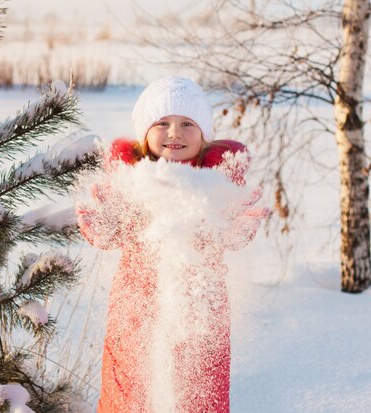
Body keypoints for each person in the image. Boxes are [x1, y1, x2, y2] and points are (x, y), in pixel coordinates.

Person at [76, 77, 268, 412]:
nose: (174, 133)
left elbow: (225, 236)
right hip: (135, 311)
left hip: (200, 314)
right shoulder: (131, 182)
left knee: (198, 395)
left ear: (204, 134)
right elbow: (114, 234)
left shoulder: (216, 186)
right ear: (144, 133)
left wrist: (236, 231)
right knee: (130, 394)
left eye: (187, 124)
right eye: (162, 123)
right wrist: (102, 227)